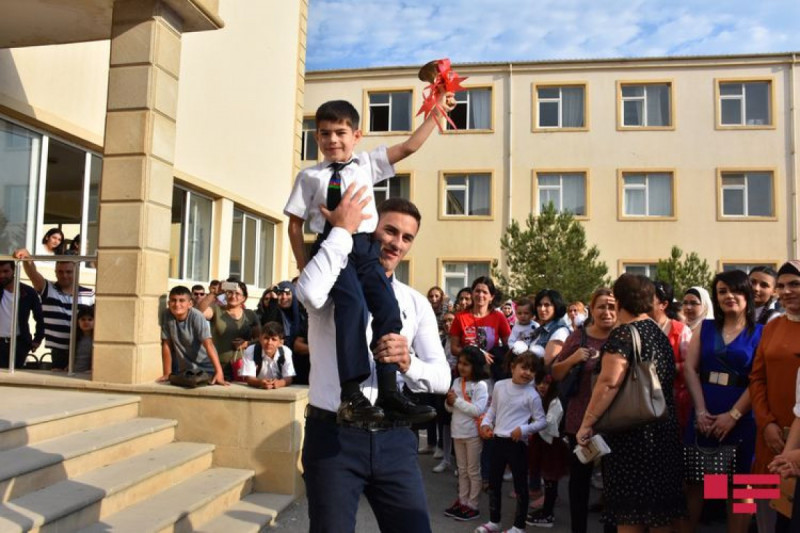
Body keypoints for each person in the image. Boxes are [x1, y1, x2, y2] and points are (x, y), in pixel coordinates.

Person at [285, 95, 455, 424]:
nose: (332, 140)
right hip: (333, 246)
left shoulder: (365, 164)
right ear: (316, 136)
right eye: (324, 133)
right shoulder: (309, 177)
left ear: (356, 135)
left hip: (364, 248)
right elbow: (294, 224)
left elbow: (408, 147)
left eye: (340, 132)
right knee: (352, 306)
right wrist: (304, 265)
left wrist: (435, 115)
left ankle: (389, 390)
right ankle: (352, 393)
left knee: (388, 306)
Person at [297, 195, 451, 533]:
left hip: (395, 440)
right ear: (369, 228)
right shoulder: (330, 286)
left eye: (407, 237)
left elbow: (443, 378)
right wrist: (342, 230)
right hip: (334, 438)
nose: (397, 243)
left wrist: (409, 363)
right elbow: (306, 292)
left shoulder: (415, 302)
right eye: (390, 231)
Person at [577, 274, 685, 533]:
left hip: (631, 433)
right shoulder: (658, 332)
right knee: (659, 513)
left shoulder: (625, 334)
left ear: (619, 300)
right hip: (662, 429)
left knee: (630, 514)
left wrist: (587, 422)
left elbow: (609, 383)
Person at [683, 270, 762, 533]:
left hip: (743, 416)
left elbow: (760, 379)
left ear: (747, 294)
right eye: (722, 291)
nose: (729, 296)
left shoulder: (762, 332)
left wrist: (734, 415)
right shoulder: (705, 328)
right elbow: (690, 369)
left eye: (736, 290)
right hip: (705, 412)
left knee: (742, 485)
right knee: (697, 482)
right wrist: (700, 411)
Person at [551, 287, 617, 533]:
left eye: (612, 306)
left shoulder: (622, 336)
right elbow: (556, 372)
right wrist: (573, 358)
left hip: (614, 421)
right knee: (579, 480)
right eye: (601, 306)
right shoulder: (579, 337)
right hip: (579, 420)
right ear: (592, 309)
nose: (607, 312)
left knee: (613, 484)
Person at [749, 260, 800, 533]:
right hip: (770, 434)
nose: (787, 291)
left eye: (795, 284)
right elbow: (757, 378)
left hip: (797, 437)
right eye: (781, 286)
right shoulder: (772, 327)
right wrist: (766, 422)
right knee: (766, 507)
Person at [476, 351, 547, 533]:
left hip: (517, 444)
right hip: (498, 441)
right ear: (512, 366)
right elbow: (493, 410)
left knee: (520, 486)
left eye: (532, 370)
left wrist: (523, 429)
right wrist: (485, 424)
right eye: (524, 367)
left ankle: (519, 526)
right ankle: (494, 521)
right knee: (494, 483)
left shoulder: (532, 395)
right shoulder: (500, 386)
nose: (527, 373)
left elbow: (541, 421)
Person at [13, 249, 94, 370]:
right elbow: (32, 273)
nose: (64, 275)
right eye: (60, 272)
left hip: (83, 349)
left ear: (76, 271)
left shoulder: (89, 294)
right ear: (55, 272)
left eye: (68, 272)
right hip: (59, 351)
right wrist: (27, 259)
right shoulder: (48, 289)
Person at [444, 345, 489, 522]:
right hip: (457, 432)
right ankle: (462, 501)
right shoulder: (457, 382)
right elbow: (450, 408)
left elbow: (478, 410)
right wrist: (449, 403)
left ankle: (473, 505)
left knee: (473, 471)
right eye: (460, 363)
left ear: (475, 366)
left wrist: (456, 401)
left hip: (472, 434)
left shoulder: (481, 386)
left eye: (466, 364)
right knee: (462, 470)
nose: (461, 367)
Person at [526, 374, 569, 528]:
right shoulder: (539, 398)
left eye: (546, 383)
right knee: (546, 478)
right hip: (541, 443)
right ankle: (545, 510)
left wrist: (531, 427)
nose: (542, 386)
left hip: (551, 445)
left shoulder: (555, 401)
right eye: (540, 382)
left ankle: (548, 514)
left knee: (551, 479)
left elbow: (549, 423)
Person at [159, 285, 226, 385]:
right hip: (186, 371)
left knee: (193, 381)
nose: (177, 304)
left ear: (190, 304)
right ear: (168, 303)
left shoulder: (196, 316)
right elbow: (166, 345)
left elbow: (209, 344)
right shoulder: (167, 315)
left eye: (181, 301)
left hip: (206, 369)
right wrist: (167, 373)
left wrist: (219, 372)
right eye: (173, 300)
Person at [650, 280, 693, 435]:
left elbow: (691, 365)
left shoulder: (681, 330)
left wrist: (669, 367)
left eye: (649, 298)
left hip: (675, 399)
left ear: (663, 304)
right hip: (645, 401)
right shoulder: (639, 328)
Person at [196, 280, 259, 380]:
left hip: (243, 368)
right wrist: (214, 293)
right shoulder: (217, 310)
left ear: (244, 298)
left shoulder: (250, 315)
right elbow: (199, 313)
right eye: (230, 292)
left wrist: (246, 343)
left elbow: (260, 339)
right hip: (218, 368)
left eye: (237, 293)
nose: (233, 296)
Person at [0, 260, 44, 370]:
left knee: (16, 376)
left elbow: (40, 317)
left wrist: (37, 339)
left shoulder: (28, 292)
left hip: (19, 344)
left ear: (14, 270)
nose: (2, 275)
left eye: (6, 271)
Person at [241, 321, 295, 390]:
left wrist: (279, 383)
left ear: (280, 342)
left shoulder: (286, 352)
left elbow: (289, 377)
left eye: (274, 339)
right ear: (260, 338)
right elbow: (249, 378)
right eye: (266, 338)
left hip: (279, 390)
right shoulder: (251, 351)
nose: (269, 342)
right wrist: (260, 383)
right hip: (257, 390)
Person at [531, 289, 570, 367]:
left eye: (547, 305)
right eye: (539, 305)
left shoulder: (560, 332)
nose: (542, 309)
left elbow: (546, 364)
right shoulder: (542, 328)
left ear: (556, 306)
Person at [74, 305, 94, 372]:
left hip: (87, 375)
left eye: (90, 319)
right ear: (78, 321)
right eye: (83, 319)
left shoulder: (97, 341)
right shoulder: (74, 338)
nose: (86, 322)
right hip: (73, 373)